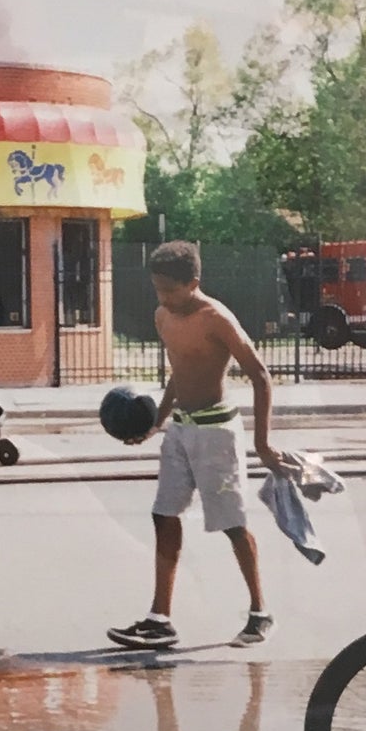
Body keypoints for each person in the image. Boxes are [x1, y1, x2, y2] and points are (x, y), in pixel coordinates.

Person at [108, 241, 298, 650]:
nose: (162, 298)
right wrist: (156, 423)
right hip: (180, 430)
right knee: (163, 515)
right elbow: (179, 373)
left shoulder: (217, 318)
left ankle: (260, 612)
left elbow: (260, 375)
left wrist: (263, 444)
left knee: (232, 524)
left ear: (193, 283)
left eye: (170, 290)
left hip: (217, 434)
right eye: (157, 289)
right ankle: (160, 620)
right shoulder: (163, 315)